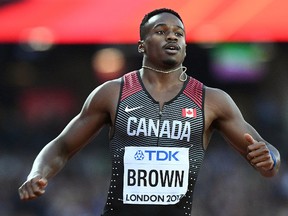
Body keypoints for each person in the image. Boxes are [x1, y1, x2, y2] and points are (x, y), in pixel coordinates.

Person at [18, 8, 281, 216]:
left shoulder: (211, 100)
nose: (172, 36)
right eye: (161, 31)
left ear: (186, 46)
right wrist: (36, 174)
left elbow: (267, 156)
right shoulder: (113, 94)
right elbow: (62, 146)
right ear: (142, 45)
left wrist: (270, 160)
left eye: (179, 33)